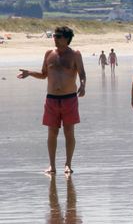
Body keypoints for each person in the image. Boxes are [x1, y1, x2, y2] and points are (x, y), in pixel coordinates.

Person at [17, 26, 86, 174]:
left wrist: (83, 85)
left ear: (66, 38)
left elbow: (82, 73)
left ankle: (68, 164)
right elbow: (43, 74)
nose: (55, 38)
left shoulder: (75, 54)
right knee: (52, 132)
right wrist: (29, 73)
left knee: (69, 132)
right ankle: (52, 166)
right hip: (52, 99)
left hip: (69, 98)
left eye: (58, 36)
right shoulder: (49, 54)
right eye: (54, 36)